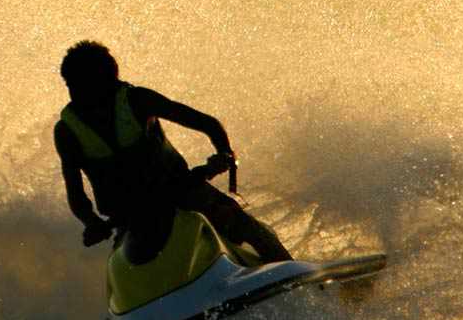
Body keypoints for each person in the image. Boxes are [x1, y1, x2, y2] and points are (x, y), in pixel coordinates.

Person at [54, 40, 292, 266]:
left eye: (78, 86)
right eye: (71, 86)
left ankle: (292, 272)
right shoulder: (67, 131)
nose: (73, 94)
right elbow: (76, 196)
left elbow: (208, 124)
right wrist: (92, 223)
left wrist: (224, 154)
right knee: (120, 263)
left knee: (247, 227)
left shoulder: (137, 100)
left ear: (106, 78)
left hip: (184, 194)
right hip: (131, 219)